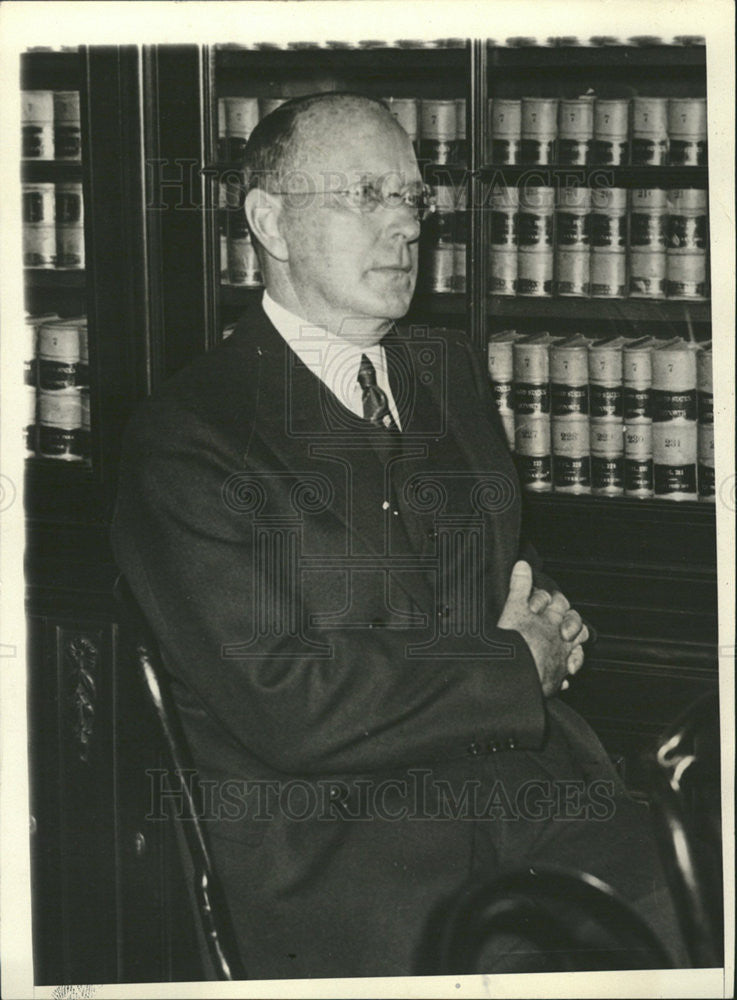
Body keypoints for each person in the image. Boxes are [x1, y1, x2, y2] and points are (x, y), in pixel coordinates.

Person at [112, 93, 683, 979]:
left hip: (532, 800)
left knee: (699, 896)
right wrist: (511, 665)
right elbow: (293, 703)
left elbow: (504, 577)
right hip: (358, 858)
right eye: (364, 194)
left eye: (411, 199)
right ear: (270, 219)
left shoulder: (441, 373)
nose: (402, 227)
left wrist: (550, 626)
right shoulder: (190, 438)